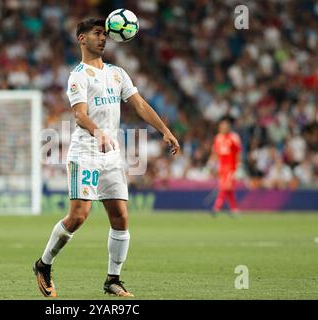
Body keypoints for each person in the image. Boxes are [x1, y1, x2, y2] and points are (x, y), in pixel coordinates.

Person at [33, 18, 180, 298]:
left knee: (121, 216)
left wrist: (164, 130)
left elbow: (139, 104)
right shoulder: (78, 75)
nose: (103, 38)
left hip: (111, 154)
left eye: (104, 34)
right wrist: (98, 131)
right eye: (97, 33)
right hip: (85, 153)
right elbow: (79, 114)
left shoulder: (117, 73)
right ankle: (43, 264)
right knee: (79, 215)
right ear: (81, 39)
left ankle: (113, 279)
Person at [208, 116, 242, 215]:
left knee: (225, 187)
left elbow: (238, 153)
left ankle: (216, 208)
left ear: (229, 127)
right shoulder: (218, 138)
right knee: (228, 189)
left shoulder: (234, 137)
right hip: (222, 167)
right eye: (222, 126)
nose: (223, 128)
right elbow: (214, 153)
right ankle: (234, 209)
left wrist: (238, 166)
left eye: (225, 126)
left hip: (231, 167)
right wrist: (210, 164)